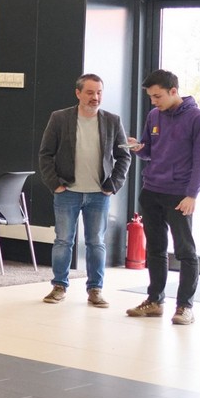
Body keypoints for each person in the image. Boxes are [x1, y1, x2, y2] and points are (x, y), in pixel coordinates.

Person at [35, 73, 132, 307]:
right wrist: (55, 184)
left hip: (99, 194)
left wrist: (113, 185)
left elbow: (124, 156)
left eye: (99, 92)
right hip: (67, 192)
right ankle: (59, 286)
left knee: (96, 242)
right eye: (89, 92)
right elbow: (45, 154)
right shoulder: (60, 118)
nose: (95, 97)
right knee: (63, 241)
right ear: (78, 93)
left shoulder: (112, 120)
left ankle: (95, 289)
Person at [128, 69, 200, 325]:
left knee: (185, 251)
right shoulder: (154, 115)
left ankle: (185, 306)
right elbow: (149, 151)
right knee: (155, 249)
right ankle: (154, 301)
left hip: (179, 195)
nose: (154, 102)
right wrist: (138, 148)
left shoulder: (198, 119)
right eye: (151, 97)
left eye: (158, 96)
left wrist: (192, 195)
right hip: (151, 191)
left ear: (173, 91)